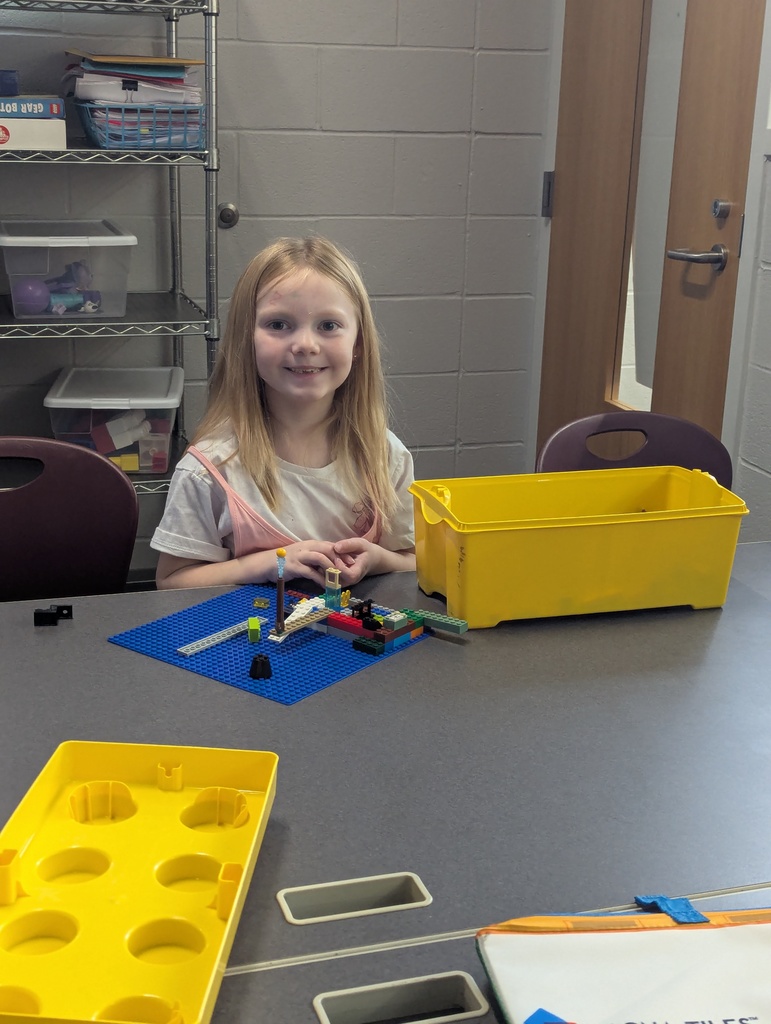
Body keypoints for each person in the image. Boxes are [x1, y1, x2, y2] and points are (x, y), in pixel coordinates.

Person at [152, 236, 416, 591]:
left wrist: (377, 559)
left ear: (358, 345)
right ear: (248, 341)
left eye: (328, 325)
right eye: (278, 325)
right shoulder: (210, 469)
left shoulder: (385, 457)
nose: (305, 345)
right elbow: (172, 581)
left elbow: (414, 561)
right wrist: (271, 563)